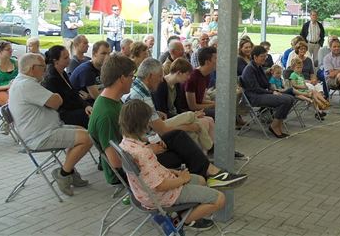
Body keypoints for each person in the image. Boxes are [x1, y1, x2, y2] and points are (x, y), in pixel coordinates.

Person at [88, 53, 246, 189]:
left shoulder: (111, 102)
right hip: (130, 170)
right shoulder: (107, 114)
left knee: (178, 137)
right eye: (131, 76)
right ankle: (202, 183)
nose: (133, 79)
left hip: (137, 154)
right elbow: (116, 162)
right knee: (184, 152)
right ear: (122, 78)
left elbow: (129, 137)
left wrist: (148, 142)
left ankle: (209, 176)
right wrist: (148, 150)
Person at [119, 100, 225, 231]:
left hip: (145, 194)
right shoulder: (143, 152)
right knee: (219, 199)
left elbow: (149, 172)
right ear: (142, 123)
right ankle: (178, 221)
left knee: (201, 180)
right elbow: (160, 186)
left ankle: (185, 214)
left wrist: (173, 172)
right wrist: (182, 179)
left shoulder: (125, 142)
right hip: (160, 196)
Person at [9, 53, 92, 196]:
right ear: (32, 68)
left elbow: (54, 101)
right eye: (43, 67)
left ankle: (70, 171)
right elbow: (56, 102)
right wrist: (56, 98)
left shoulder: (24, 82)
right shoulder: (27, 85)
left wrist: (55, 98)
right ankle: (64, 174)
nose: (46, 70)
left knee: (82, 130)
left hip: (46, 129)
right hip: (41, 136)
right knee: (88, 138)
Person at [124, 58, 214, 153]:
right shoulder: (144, 95)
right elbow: (162, 130)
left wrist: (156, 113)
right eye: (159, 76)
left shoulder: (137, 86)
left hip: (146, 130)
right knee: (193, 122)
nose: (161, 80)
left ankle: (203, 154)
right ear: (150, 76)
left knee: (194, 122)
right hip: (149, 134)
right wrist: (189, 127)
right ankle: (207, 151)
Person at [241, 46, 294, 138]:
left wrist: (274, 89)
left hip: (261, 94)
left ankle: (278, 125)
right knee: (285, 100)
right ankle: (274, 126)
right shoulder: (250, 69)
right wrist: (272, 93)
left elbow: (266, 84)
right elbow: (255, 88)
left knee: (290, 98)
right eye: (262, 56)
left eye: (265, 56)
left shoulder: (258, 67)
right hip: (254, 97)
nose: (265, 58)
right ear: (255, 57)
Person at [42, 45, 92, 128]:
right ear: (56, 61)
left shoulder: (62, 72)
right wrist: (84, 107)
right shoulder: (51, 78)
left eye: (68, 56)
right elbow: (62, 103)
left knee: (92, 107)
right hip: (61, 114)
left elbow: (73, 93)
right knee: (87, 115)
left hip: (70, 108)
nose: (69, 59)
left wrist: (86, 105)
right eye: (65, 58)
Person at [184, 47, 217, 118]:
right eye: (216, 58)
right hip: (187, 111)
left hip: (197, 108)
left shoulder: (207, 75)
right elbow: (192, 106)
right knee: (220, 112)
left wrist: (216, 103)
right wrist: (214, 105)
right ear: (207, 62)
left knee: (224, 107)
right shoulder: (192, 78)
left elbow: (201, 100)